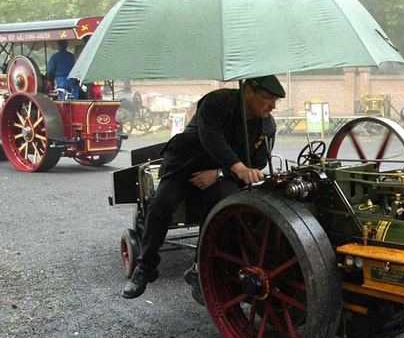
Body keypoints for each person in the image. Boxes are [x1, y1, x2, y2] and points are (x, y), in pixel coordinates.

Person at [121, 75, 285, 299]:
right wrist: (236, 167)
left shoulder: (267, 126)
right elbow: (211, 137)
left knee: (224, 207)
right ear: (247, 90)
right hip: (185, 165)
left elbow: (256, 162)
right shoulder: (216, 102)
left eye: (275, 100)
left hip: (221, 174)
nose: (272, 106)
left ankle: (201, 268)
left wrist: (219, 173)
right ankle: (145, 268)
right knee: (161, 205)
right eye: (266, 98)